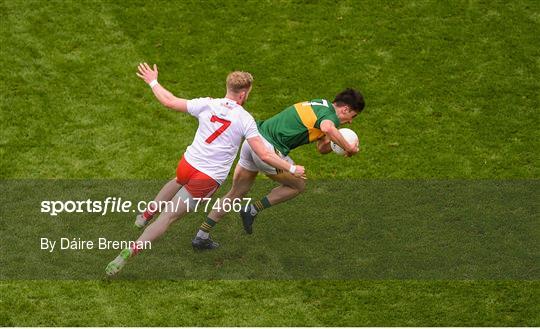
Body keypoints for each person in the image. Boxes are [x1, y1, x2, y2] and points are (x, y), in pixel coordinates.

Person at [105, 63, 305, 276]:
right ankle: (129, 252)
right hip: (207, 178)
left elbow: (170, 102)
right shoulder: (245, 119)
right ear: (243, 94)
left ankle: (146, 213)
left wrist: (153, 81)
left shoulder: (207, 103)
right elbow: (265, 155)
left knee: (178, 180)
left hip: (188, 164)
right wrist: (291, 167)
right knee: (168, 218)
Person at [190, 89, 364, 244]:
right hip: (268, 151)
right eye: (352, 116)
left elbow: (321, 147)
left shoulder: (320, 105)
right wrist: (349, 147)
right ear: (345, 109)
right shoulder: (329, 118)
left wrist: (336, 145)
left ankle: (202, 235)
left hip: (252, 141)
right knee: (298, 185)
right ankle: (252, 210)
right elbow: (327, 127)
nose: (350, 122)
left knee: (236, 193)